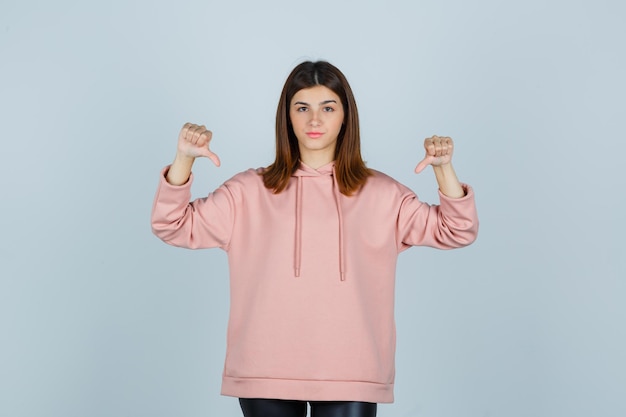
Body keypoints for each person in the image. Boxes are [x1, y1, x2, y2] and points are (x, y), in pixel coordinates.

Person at [151, 61, 478, 417]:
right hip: (265, 369)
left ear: (344, 117)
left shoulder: (381, 193)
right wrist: (183, 159)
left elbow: (456, 230)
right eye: (302, 107)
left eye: (328, 107)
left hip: (353, 369)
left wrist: (444, 169)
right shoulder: (248, 191)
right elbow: (173, 224)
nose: (315, 120)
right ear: (287, 117)